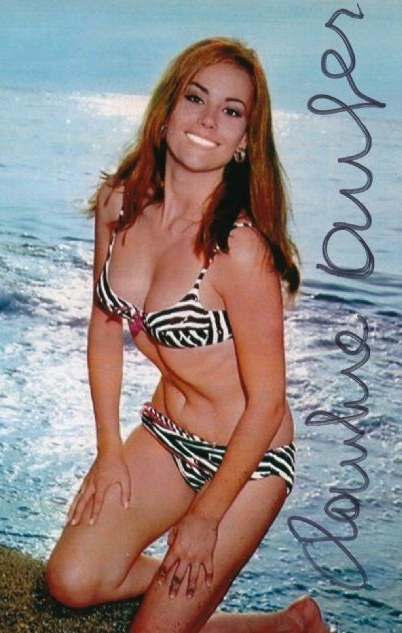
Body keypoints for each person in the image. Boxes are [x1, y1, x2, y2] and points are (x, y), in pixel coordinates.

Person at [45, 37, 329, 632]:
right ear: (168, 110)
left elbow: (267, 402)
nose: (208, 120)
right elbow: (104, 327)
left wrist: (205, 518)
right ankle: (276, 625)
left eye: (231, 110)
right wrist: (109, 452)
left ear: (245, 139)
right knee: (70, 581)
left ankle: (235, 611)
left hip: (249, 462)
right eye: (196, 99)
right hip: (166, 435)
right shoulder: (120, 206)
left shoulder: (240, 250)